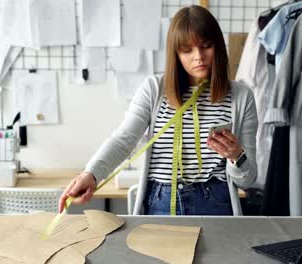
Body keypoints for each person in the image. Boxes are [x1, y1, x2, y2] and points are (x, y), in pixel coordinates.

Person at [59, 5, 258, 216]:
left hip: (215, 204)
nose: (198, 56)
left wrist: (237, 156)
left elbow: (248, 179)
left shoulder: (241, 96)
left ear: (217, 46)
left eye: (206, 46)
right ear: (176, 54)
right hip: (160, 203)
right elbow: (123, 140)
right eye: (187, 50)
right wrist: (91, 173)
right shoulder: (154, 89)